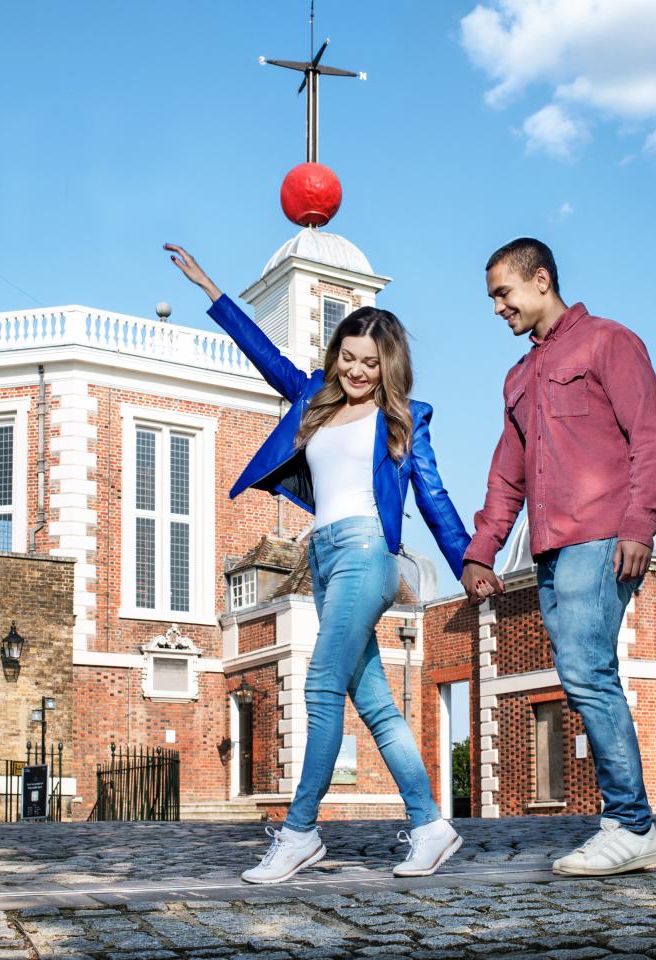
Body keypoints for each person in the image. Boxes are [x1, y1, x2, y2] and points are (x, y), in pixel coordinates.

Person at [165, 243, 471, 884]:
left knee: (319, 687)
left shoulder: (406, 421)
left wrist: (469, 562)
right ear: (337, 358)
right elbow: (266, 357)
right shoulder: (316, 400)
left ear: (390, 365)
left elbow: (435, 499)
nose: (358, 370)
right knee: (378, 705)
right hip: (324, 555)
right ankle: (431, 825)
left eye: (370, 362)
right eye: (349, 358)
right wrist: (211, 291)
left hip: (367, 553)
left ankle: (301, 832)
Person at [460, 237, 656, 877]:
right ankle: (627, 824)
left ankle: (631, 826)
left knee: (585, 673)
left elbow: (652, 438)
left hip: (604, 536)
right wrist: (481, 551)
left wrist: (640, 523)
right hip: (552, 550)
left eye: (504, 293)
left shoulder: (611, 342)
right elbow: (508, 474)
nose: (498, 307)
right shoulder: (519, 377)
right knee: (583, 675)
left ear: (541, 279)